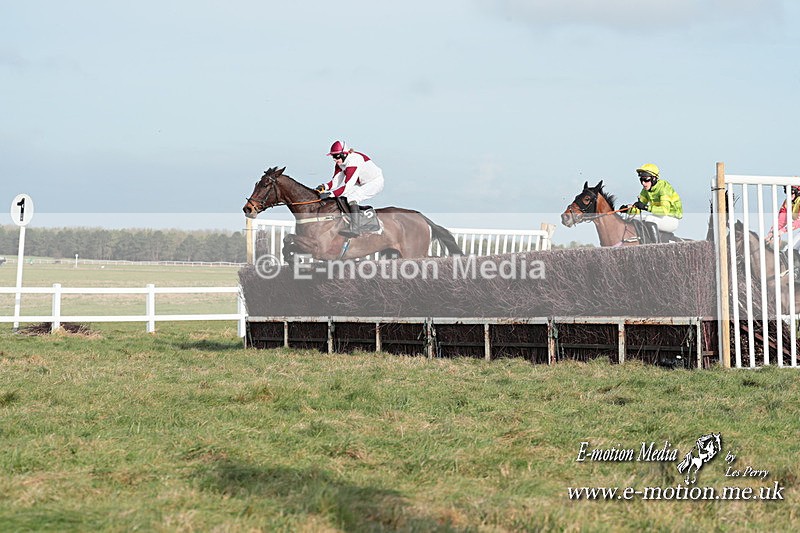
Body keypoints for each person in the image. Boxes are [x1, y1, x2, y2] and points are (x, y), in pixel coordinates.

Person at [315, 140, 385, 237]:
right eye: (332, 156)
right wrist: (324, 187)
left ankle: (355, 228)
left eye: (336, 156)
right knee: (344, 197)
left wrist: (331, 194)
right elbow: (336, 181)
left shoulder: (354, 161)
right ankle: (349, 221)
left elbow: (348, 186)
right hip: (361, 183)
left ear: (344, 154)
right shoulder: (340, 163)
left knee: (352, 198)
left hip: (374, 182)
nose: (334, 159)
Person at [620, 163, 683, 243]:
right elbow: (639, 209)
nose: (643, 183)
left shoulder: (664, 188)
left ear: (654, 178)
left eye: (646, 180)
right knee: (631, 218)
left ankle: (655, 248)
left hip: (671, 219)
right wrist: (628, 210)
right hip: (657, 217)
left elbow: (664, 211)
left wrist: (646, 207)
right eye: (641, 180)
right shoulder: (645, 191)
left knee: (650, 219)